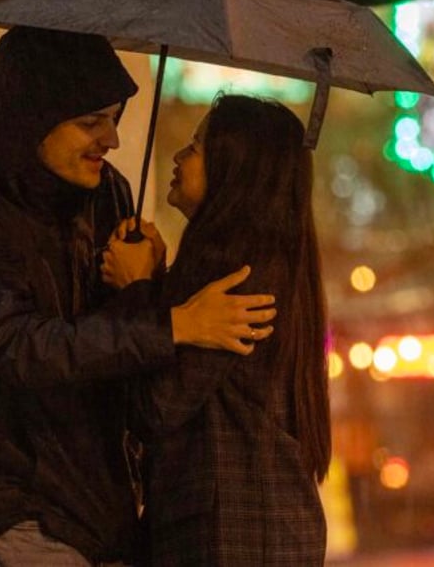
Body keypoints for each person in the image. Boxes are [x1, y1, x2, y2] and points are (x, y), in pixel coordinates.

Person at [0, 28, 276, 567]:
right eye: (90, 122)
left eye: (114, 118)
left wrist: (149, 283)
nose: (112, 140)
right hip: (20, 510)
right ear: (29, 120)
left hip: (106, 510)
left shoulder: (108, 194)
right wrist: (172, 324)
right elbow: (16, 349)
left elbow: (121, 351)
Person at [103, 94, 332, 565]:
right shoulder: (269, 262)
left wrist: (138, 289)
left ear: (237, 169)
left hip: (231, 532)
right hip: (262, 527)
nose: (181, 156)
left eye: (198, 145)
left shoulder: (236, 274)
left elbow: (157, 406)